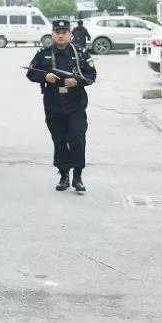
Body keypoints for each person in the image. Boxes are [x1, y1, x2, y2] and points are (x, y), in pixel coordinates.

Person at [26, 19, 97, 193]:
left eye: (64, 32)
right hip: (53, 105)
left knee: (77, 138)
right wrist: (45, 78)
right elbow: (31, 72)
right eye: (57, 32)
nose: (60, 35)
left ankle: (78, 176)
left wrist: (77, 81)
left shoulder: (80, 53)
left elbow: (91, 75)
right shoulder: (43, 54)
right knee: (59, 141)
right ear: (52, 34)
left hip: (76, 105)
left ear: (70, 34)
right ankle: (64, 174)